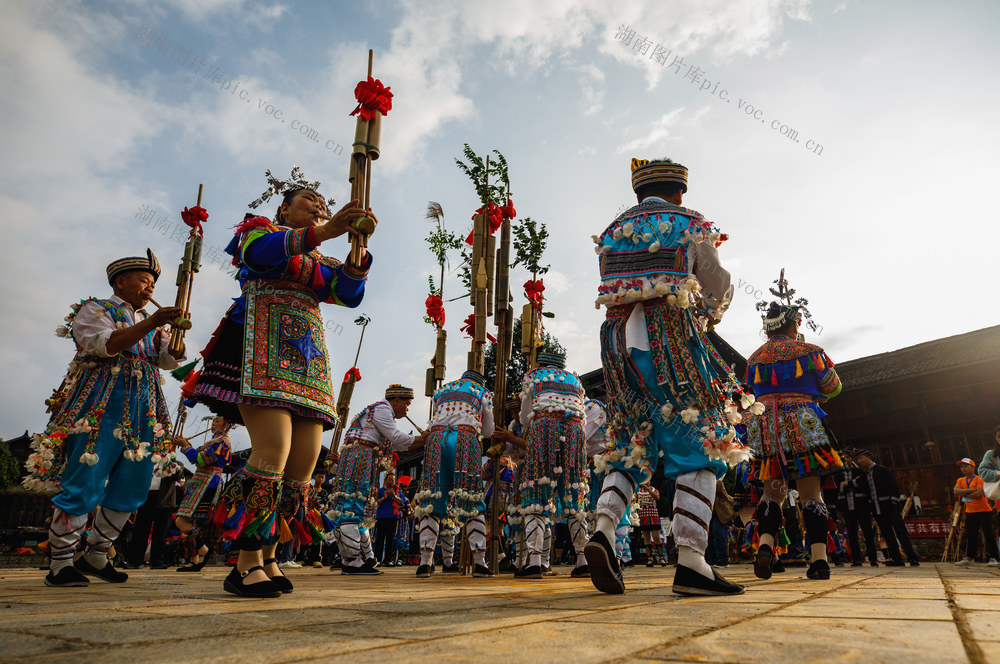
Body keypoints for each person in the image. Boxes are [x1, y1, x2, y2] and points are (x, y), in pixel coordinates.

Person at [190, 168, 375, 598]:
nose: (319, 206)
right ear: (284, 208)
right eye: (309, 199)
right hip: (263, 344)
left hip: (307, 358)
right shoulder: (259, 231)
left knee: (303, 464)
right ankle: (244, 562)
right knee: (273, 450)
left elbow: (347, 295)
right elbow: (261, 257)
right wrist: (327, 231)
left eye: (325, 204)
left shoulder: (320, 258)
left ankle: (270, 553)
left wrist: (357, 252)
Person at [588, 158, 751, 596]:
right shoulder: (688, 222)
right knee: (700, 443)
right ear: (679, 191)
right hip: (671, 341)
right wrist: (709, 315)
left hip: (619, 345)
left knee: (630, 440)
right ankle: (692, 562)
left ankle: (603, 530)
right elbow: (716, 283)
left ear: (640, 193)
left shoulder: (612, 231)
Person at [24, 249, 186, 587]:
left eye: (153, 284)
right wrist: (153, 322)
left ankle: (97, 554)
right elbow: (105, 345)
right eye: (144, 281)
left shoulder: (148, 320)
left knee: (135, 482)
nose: (149, 289)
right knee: (86, 476)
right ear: (120, 281)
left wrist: (176, 343)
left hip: (144, 408)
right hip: (100, 405)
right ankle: (61, 562)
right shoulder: (97, 308)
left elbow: (167, 361)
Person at [744, 297, 844, 581]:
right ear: (794, 324)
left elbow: (752, 391)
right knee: (811, 494)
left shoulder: (755, 358)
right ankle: (820, 560)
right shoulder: (809, 351)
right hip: (802, 421)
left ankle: (765, 547)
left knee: (772, 492)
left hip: (764, 427)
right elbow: (834, 387)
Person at [326, 385, 425, 575]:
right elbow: (396, 438)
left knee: (356, 508)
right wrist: (424, 439)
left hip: (360, 456)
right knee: (352, 506)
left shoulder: (375, 410)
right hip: (360, 457)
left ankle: (359, 558)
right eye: (407, 404)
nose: (407, 409)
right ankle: (353, 562)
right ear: (395, 401)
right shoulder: (382, 409)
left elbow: (396, 442)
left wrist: (422, 439)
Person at [514, 351, 588, 580]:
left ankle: (535, 562)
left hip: (545, 426)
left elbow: (525, 417)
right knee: (574, 493)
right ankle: (583, 560)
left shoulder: (534, 375)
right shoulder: (575, 380)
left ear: (541, 363)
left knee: (536, 492)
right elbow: (583, 414)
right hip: (576, 429)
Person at [413, 369, 495, 578]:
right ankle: (480, 563)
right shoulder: (482, 392)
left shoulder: (444, 389)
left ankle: (425, 562)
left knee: (431, 500)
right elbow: (487, 431)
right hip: (465, 440)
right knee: (471, 500)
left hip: (435, 439)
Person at [174, 416, 233, 571]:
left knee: (185, 521)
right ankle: (194, 559)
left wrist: (186, 446)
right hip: (200, 481)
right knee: (186, 521)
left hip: (208, 483)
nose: (213, 424)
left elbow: (200, 460)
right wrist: (186, 445)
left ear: (227, 425)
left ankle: (203, 551)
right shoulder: (214, 441)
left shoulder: (222, 443)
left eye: (218, 421)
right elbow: (197, 459)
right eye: (213, 421)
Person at [852, 449, 919, 567]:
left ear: (868, 456)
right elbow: (866, 491)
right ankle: (897, 559)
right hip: (877, 508)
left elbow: (893, 485)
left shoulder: (882, 470)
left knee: (900, 532)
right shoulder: (865, 475)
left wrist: (893, 501)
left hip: (889, 506)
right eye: (857, 459)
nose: (859, 461)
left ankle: (912, 558)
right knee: (887, 534)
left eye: (861, 458)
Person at [127, 471, 179, 570]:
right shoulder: (146, 459)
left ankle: (157, 561)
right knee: (141, 528)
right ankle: (135, 561)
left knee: (161, 530)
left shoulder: (174, 463)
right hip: (146, 495)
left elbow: (178, 475)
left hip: (165, 499)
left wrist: (171, 465)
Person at [835, 449, 878, 567]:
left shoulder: (860, 471)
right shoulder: (837, 474)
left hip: (861, 506)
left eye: (848, 457)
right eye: (843, 458)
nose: (846, 460)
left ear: (851, 459)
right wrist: (854, 483)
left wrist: (847, 484)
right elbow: (838, 488)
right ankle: (856, 559)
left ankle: (873, 559)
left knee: (867, 532)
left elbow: (863, 484)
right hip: (847, 507)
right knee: (851, 533)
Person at [953, 457, 999, 566]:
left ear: (973, 467)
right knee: (971, 534)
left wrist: (964, 493)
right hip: (970, 511)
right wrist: (972, 490)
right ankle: (969, 558)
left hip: (984, 510)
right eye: (962, 467)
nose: (963, 469)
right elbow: (956, 491)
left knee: (988, 534)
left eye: (966, 466)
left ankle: (994, 557)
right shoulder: (960, 480)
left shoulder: (979, 478)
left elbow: (980, 493)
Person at [374, 473, 402, 566]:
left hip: (393, 517)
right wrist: (384, 498)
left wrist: (394, 496)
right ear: (385, 480)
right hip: (382, 517)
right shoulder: (381, 490)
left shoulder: (397, 490)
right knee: (380, 538)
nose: (391, 481)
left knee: (390, 539)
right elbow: (375, 503)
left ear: (395, 481)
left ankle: (388, 560)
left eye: (392, 480)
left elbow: (401, 502)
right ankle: (377, 559)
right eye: (389, 479)